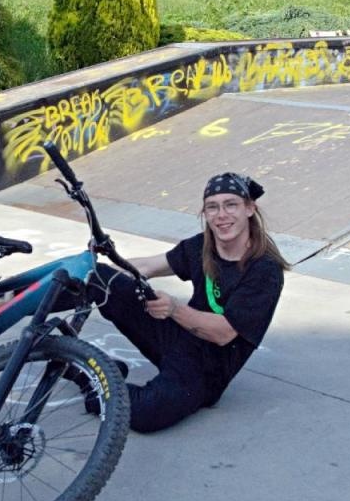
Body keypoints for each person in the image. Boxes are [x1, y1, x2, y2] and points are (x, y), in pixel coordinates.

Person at [91, 172, 288, 433]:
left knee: (145, 414)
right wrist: (106, 265)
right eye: (212, 207)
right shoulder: (202, 246)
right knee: (94, 276)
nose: (221, 215)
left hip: (206, 371)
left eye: (231, 205)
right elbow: (148, 266)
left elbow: (224, 333)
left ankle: (93, 378)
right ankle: (21, 300)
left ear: (250, 208)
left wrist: (174, 309)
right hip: (177, 338)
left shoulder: (264, 270)